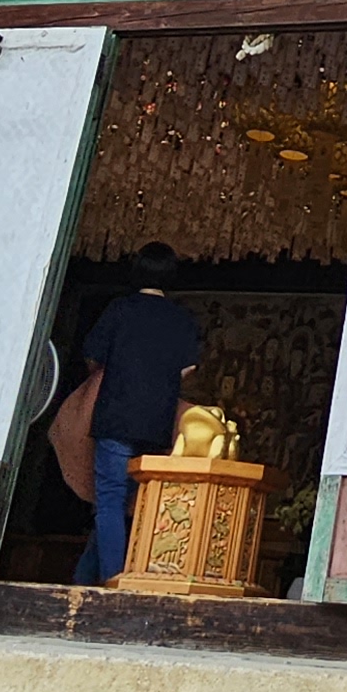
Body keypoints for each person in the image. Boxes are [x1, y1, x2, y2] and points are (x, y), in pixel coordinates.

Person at [72, 248, 201, 584]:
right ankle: (84, 578)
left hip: (115, 416)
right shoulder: (181, 318)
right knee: (132, 503)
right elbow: (188, 367)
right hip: (157, 422)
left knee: (110, 502)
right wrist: (161, 381)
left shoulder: (120, 309)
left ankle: (113, 581)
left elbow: (93, 356)